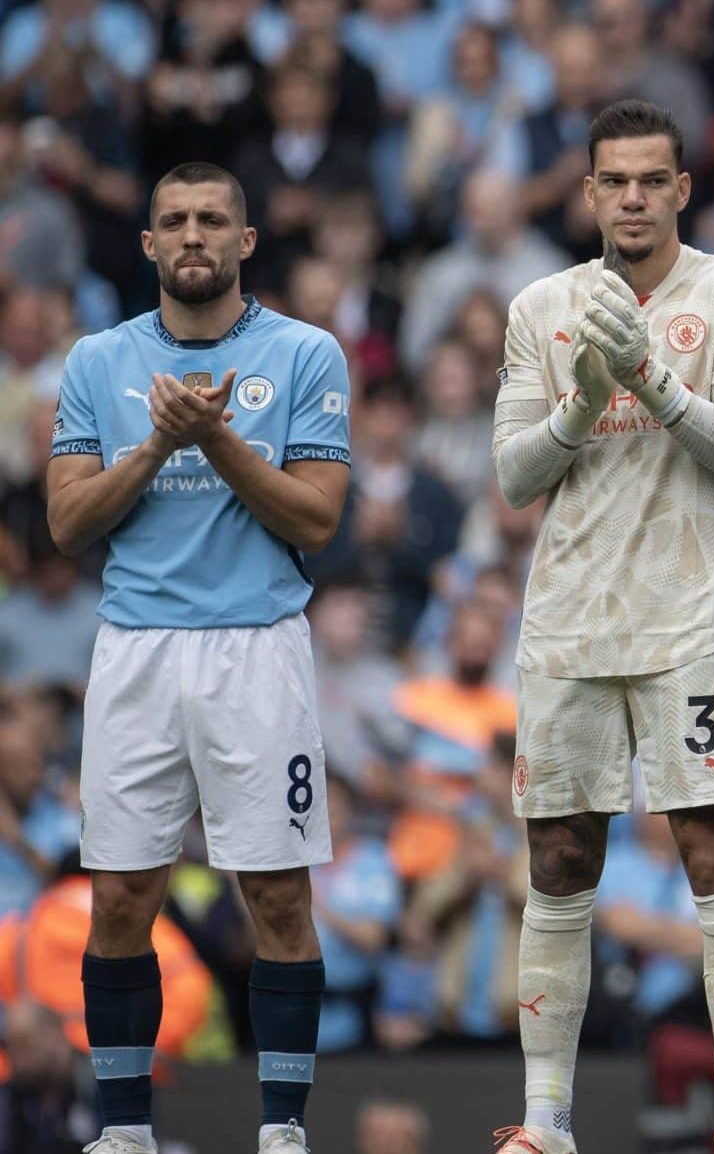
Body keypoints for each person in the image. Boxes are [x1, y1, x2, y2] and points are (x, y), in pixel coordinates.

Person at [490, 98, 714, 1154]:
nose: (631, 196)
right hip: (569, 623)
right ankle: (545, 1121)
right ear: (587, 192)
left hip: (694, 618)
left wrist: (654, 381)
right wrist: (578, 403)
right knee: (561, 859)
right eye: (612, 179)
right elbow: (513, 474)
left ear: (681, 189)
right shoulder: (540, 305)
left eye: (650, 179)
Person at [44, 161, 352, 1154]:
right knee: (123, 888)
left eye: (212, 219)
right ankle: (124, 1130)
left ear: (245, 240)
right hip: (135, 647)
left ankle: (283, 1128)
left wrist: (214, 439)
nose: (192, 235)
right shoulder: (98, 359)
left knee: (274, 888)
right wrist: (156, 445)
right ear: (145, 243)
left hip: (258, 647)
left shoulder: (306, 354)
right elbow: (65, 522)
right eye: (173, 219)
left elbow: (317, 514)